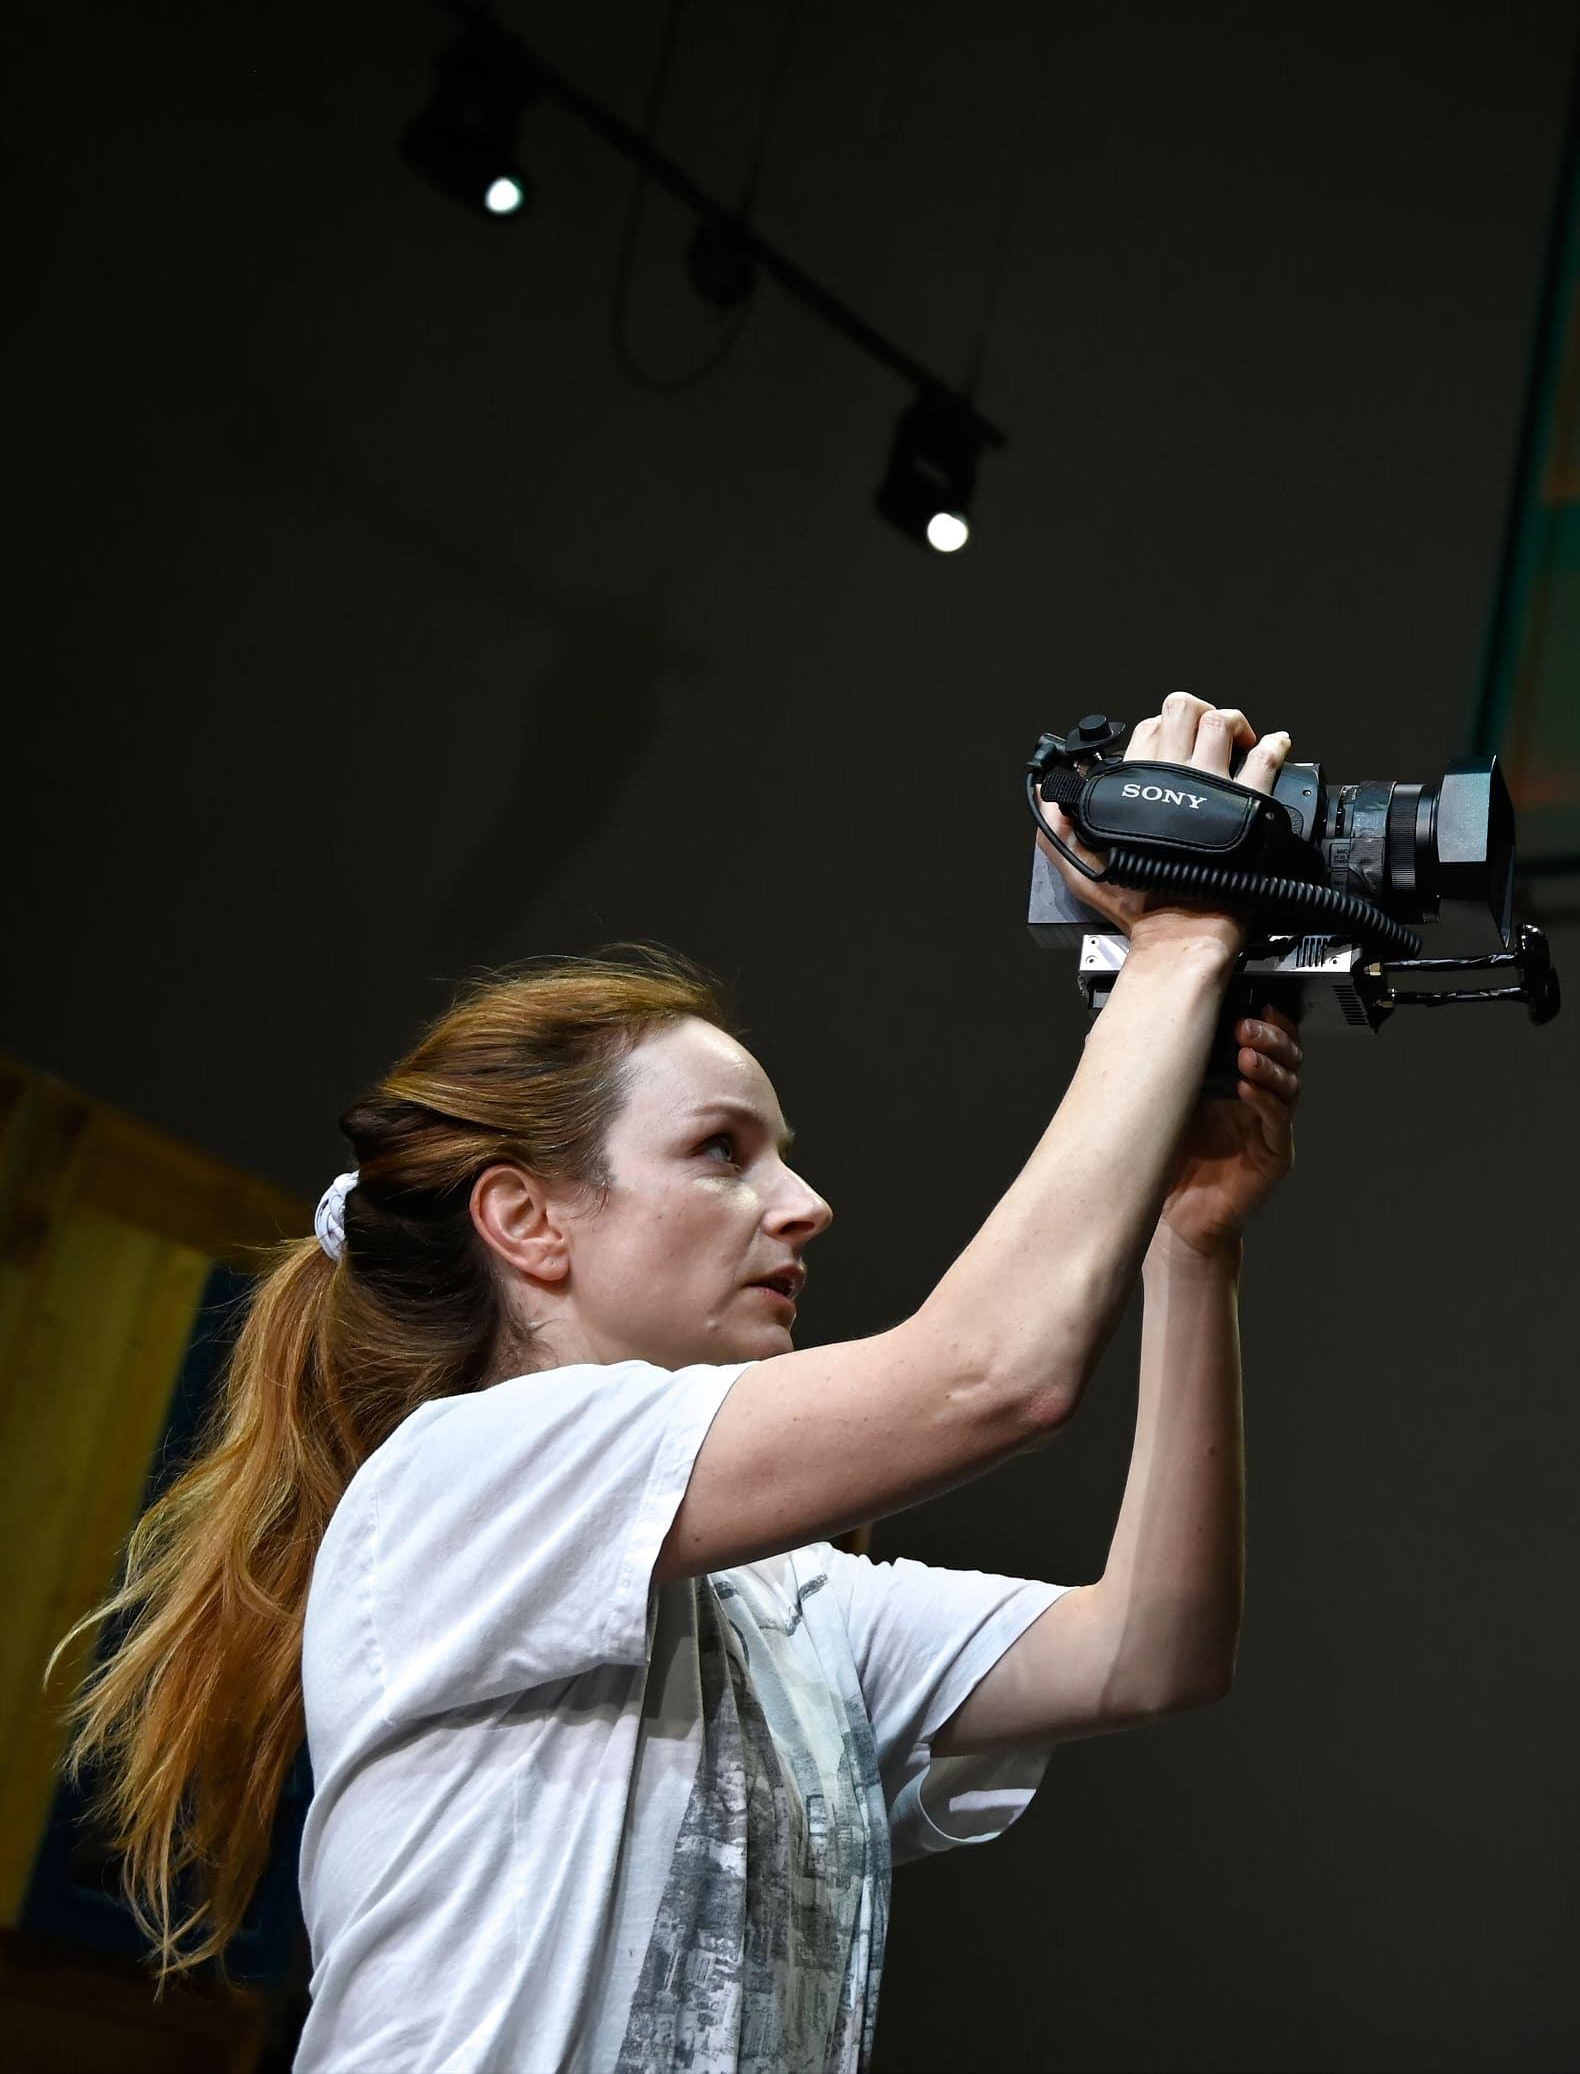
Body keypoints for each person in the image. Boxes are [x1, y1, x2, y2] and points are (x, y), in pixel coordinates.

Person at [61, 692, 1301, 2071]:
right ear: (527, 1219)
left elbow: (1150, 1650)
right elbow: (990, 1375)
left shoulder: (791, 1607)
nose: (806, 1205)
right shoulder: (465, 1476)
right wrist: (1176, 946)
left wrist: (1192, 1245)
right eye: (722, 1151)